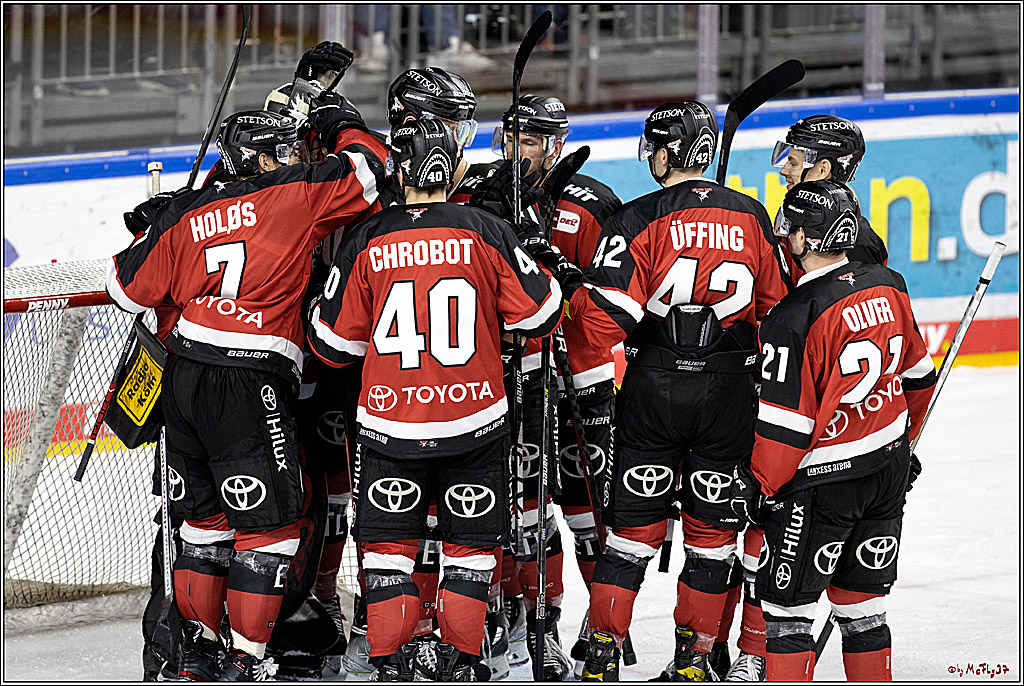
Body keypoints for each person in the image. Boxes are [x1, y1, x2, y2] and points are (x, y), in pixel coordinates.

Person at [106, 108, 382, 680]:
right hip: (248, 380)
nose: (296, 159)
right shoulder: (292, 196)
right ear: (258, 159)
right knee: (273, 528)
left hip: (183, 376)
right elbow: (371, 169)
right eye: (284, 151)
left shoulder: (187, 211)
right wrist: (341, 123)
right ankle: (247, 663)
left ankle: (196, 658)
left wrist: (154, 226)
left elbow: (125, 289)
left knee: (202, 528)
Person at [537, 100, 789, 681]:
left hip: (653, 389)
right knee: (712, 537)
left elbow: (601, 326)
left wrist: (569, 287)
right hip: (729, 394)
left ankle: (600, 658)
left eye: (653, 145)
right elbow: (779, 316)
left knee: (629, 535)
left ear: (673, 150)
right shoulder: (752, 216)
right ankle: (696, 661)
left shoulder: (639, 217)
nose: (649, 156)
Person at [306, 118, 564, 680]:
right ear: (456, 168)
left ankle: (389, 666)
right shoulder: (486, 229)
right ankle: (465, 664)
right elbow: (542, 315)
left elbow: (330, 344)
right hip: (475, 423)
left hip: (389, 426)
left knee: (388, 555)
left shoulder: (366, 238)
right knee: (469, 555)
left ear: (400, 171)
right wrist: (536, 257)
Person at [729, 179, 936, 681]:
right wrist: (901, 445)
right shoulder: (888, 283)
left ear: (806, 237)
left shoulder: (792, 316)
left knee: (786, 616)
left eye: (791, 230)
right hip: (885, 474)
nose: (786, 239)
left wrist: (757, 487)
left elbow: (787, 427)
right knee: (862, 610)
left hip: (821, 487)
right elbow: (919, 377)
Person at [451, 93, 623, 680]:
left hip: (583, 377)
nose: (519, 152)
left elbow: (616, 296)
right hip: (510, 372)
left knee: (587, 512)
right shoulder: (480, 191)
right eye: (514, 139)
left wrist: (567, 277)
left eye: (531, 141)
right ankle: (528, 622)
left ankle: (602, 627)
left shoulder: (595, 203)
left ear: (556, 143)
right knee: (518, 509)